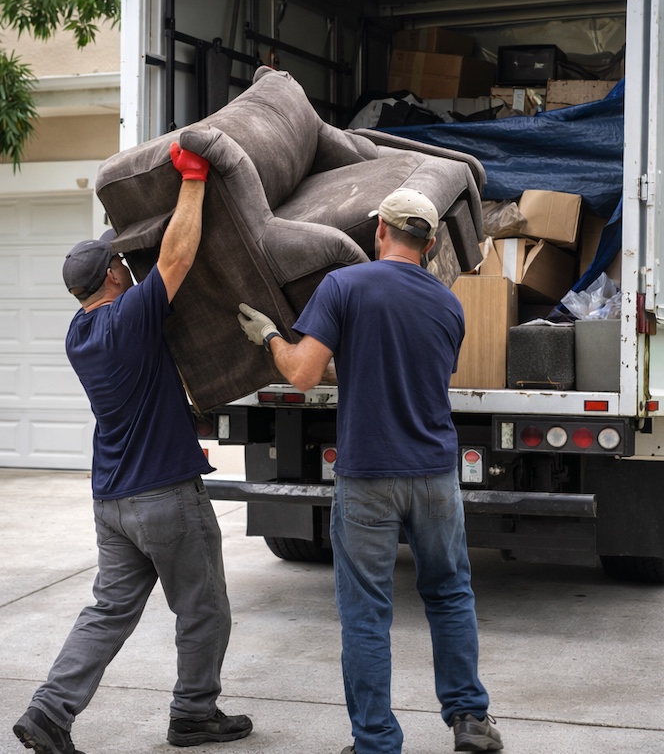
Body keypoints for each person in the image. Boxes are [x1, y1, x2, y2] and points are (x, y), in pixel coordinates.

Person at [238, 188, 502, 754]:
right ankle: (470, 721)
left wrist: (270, 338)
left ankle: (376, 741)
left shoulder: (344, 286)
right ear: (430, 245)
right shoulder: (449, 303)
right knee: (450, 593)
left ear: (379, 230)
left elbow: (304, 374)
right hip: (434, 473)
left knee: (366, 611)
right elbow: (412, 369)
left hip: (368, 477)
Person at [14, 143, 252, 754]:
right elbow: (175, 257)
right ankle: (194, 714)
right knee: (204, 611)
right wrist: (193, 181)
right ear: (114, 277)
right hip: (165, 496)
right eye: (121, 264)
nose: (127, 267)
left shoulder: (81, 333)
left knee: (108, 611)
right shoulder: (128, 320)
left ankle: (50, 711)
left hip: (113, 502)